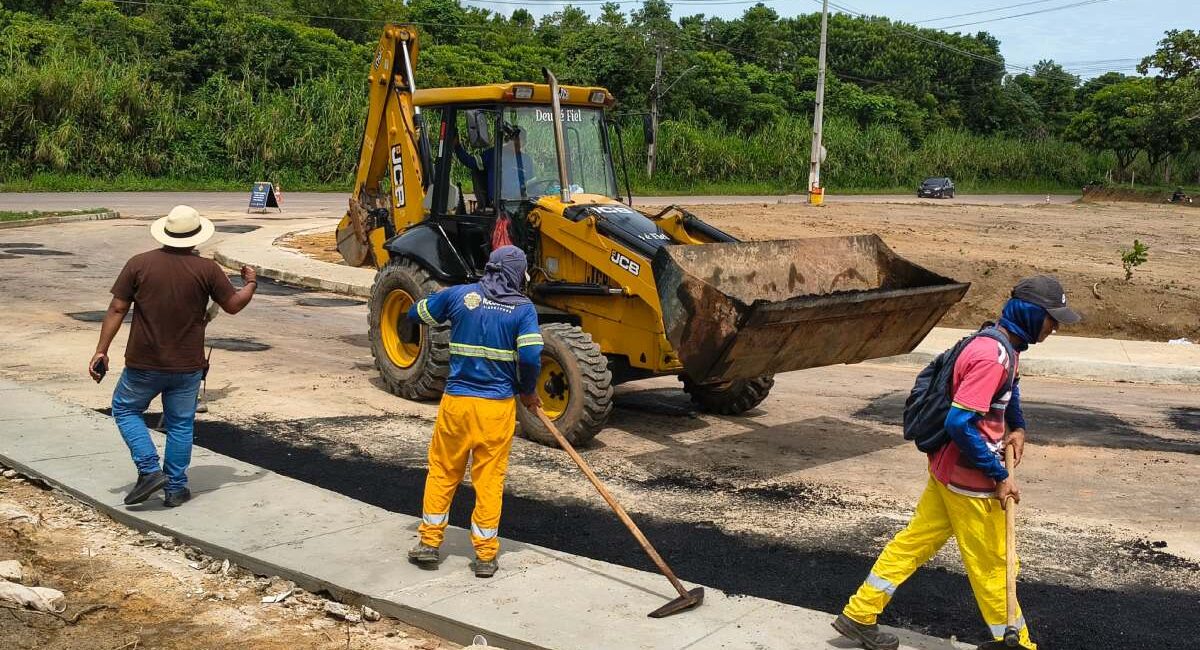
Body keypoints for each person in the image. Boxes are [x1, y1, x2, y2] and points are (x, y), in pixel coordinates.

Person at [833, 276, 1082, 650]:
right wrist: (999, 474)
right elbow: (959, 422)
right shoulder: (992, 357)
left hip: (945, 472)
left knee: (913, 543)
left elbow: (1008, 391)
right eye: (1052, 318)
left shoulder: (1000, 343)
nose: (1056, 327)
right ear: (1032, 315)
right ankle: (1018, 644)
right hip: (971, 484)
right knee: (996, 568)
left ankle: (859, 613)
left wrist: (1018, 426)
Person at [89, 205, 258, 508]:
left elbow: (117, 309)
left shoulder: (139, 264)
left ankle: (149, 470)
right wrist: (251, 283)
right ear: (196, 237)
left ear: (166, 233)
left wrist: (101, 349)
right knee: (180, 424)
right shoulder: (207, 270)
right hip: (187, 365)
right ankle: (176, 489)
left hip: (143, 362)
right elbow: (233, 305)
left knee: (126, 410)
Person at [405, 245, 543, 578]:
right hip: (495, 408)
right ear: (517, 274)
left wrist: (437, 302)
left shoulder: (459, 296)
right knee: (489, 479)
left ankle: (428, 543)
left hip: (456, 404)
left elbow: (416, 314)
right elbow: (530, 357)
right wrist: (528, 392)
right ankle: (484, 556)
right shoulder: (522, 309)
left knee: (442, 471)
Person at [455, 124, 532, 203]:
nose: (519, 145)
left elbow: (531, 183)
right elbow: (471, 162)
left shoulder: (526, 160)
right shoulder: (493, 154)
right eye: (516, 141)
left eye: (521, 142)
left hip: (522, 203)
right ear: (509, 139)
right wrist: (457, 146)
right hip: (500, 204)